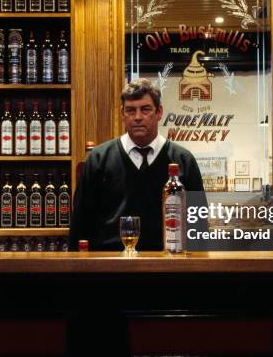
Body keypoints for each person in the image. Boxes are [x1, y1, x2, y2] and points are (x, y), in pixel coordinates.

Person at [70, 78, 206, 251]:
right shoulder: (98, 160)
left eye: (145, 109)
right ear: (122, 113)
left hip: (168, 267)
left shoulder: (184, 160)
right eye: (130, 110)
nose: (138, 117)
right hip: (109, 267)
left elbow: (199, 227)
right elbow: (80, 223)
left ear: (159, 112)